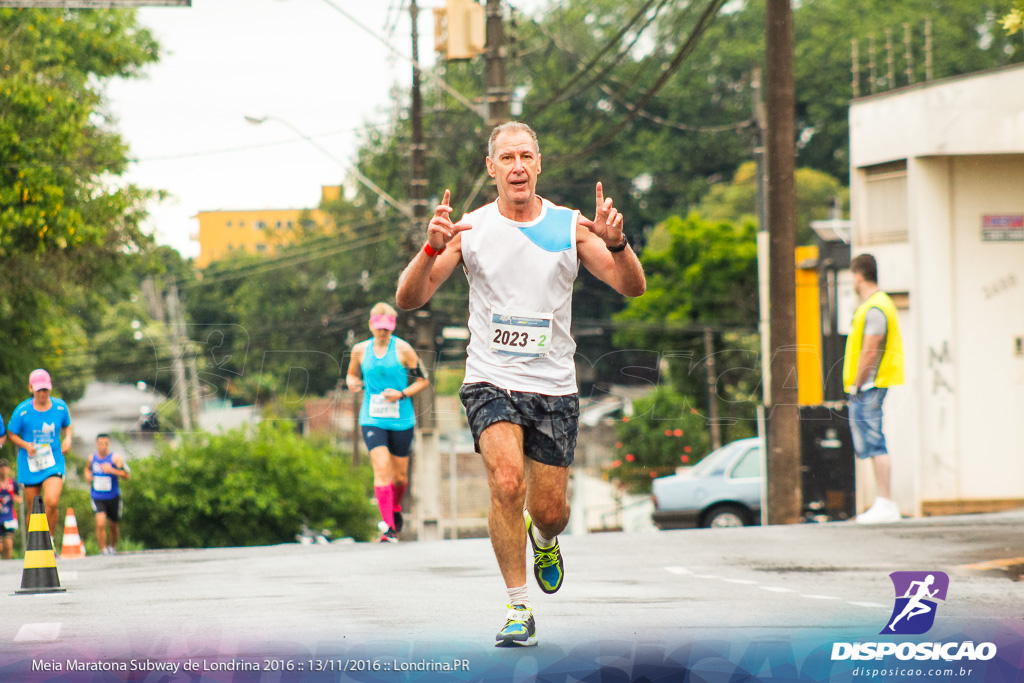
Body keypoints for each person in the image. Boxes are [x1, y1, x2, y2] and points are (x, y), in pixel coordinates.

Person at [395, 121, 646, 647]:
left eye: (525, 156)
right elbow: (408, 299)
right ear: (492, 169)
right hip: (490, 379)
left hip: (554, 386)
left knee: (552, 511)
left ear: (539, 164)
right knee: (506, 483)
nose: (516, 166)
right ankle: (517, 608)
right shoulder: (472, 229)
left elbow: (631, 286)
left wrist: (618, 243)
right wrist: (428, 249)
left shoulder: (569, 226)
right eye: (506, 157)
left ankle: (544, 538)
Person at [346, 302, 430, 543]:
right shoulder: (360, 350)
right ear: (371, 325)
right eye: (379, 327)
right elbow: (352, 374)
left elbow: (422, 381)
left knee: (400, 477)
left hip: (401, 419)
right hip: (372, 417)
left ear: (393, 327)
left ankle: (394, 507)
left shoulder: (404, 349)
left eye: (387, 328)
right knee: (382, 468)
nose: (383, 332)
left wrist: (401, 394)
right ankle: (388, 529)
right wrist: (352, 382)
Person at [843, 253, 904, 524]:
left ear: (858, 275)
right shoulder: (876, 304)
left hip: (869, 385)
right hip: (868, 384)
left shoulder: (875, 307)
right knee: (871, 441)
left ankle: (886, 502)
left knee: (875, 441)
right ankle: (884, 502)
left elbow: (870, 350)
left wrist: (857, 385)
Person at [6, 369, 72, 542]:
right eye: (39, 390)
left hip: (53, 461)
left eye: (46, 389)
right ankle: (34, 544)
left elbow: (68, 425)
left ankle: (49, 540)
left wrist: (68, 440)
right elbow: (11, 434)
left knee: (51, 501)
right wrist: (25, 445)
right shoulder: (22, 410)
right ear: (31, 388)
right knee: (33, 509)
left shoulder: (60, 407)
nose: (43, 393)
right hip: (30, 463)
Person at [85, 433, 131, 555]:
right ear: (97, 444)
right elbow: (87, 469)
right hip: (97, 496)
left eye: (105, 444)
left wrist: (112, 470)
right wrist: (87, 475)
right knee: (100, 523)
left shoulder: (115, 458)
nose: (103, 446)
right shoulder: (92, 458)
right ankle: (103, 550)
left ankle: (112, 547)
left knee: (113, 524)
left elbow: (127, 474)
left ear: (108, 444)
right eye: (101, 444)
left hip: (113, 496)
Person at [0, 459, 22, 560]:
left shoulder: (13, 483)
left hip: (9, 516)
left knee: (8, 545)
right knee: (0, 546)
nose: (3, 470)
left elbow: (20, 498)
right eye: (1, 467)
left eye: (5, 467)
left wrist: (14, 498)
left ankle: (7, 564)